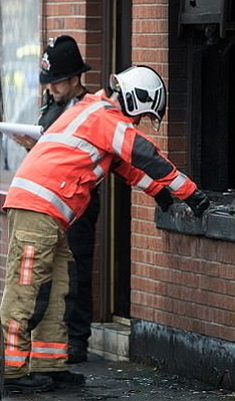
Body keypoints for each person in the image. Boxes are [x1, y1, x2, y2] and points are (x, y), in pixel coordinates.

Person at [0, 65, 209, 393]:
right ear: (134, 99)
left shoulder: (94, 114)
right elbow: (142, 153)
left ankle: (48, 366)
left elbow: (128, 168)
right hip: (36, 211)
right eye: (140, 116)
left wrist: (163, 197)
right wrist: (191, 193)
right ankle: (11, 371)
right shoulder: (103, 117)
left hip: (47, 214)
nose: (136, 124)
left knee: (58, 290)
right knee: (26, 290)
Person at [24, 35, 98, 365]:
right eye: (48, 83)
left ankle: (78, 341)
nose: (51, 89)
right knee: (50, 274)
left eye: (56, 83)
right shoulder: (51, 107)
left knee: (78, 270)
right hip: (49, 203)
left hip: (78, 202)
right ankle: (51, 343)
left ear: (74, 78)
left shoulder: (91, 110)